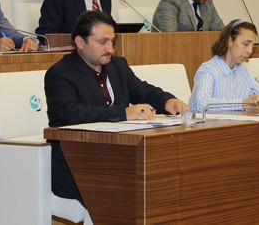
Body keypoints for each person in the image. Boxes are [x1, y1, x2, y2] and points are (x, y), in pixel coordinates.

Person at [44, 10, 188, 204]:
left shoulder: (117, 66)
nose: (110, 49)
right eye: (103, 42)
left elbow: (142, 90)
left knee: (166, 175)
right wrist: (124, 113)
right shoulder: (60, 73)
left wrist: (166, 101)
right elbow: (73, 114)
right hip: (78, 161)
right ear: (80, 42)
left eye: (112, 42)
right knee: (138, 188)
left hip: (119, 155)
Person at [190, 19, 259, 112]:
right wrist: (243, 103)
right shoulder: (208, 69)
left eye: (252, 46)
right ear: (229, 41)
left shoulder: (242, 71)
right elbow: (202, 104)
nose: (250, 51)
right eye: (245, 44)